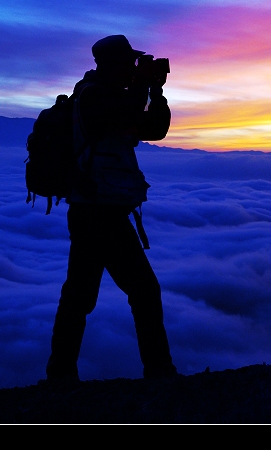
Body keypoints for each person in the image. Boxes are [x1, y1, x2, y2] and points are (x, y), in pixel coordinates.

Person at [45, 35, 177, 381]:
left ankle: (60, 374)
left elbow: (155, 128)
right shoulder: (93, 97)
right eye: (130, 63)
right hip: (96, 211)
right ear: (112, 64)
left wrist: (157, 92)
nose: (135, 68)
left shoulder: (113, 96)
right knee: (140, 290)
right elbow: (127, 112)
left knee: (80, 295)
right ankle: (159, 371)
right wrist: (143, 86)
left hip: (100, 209)